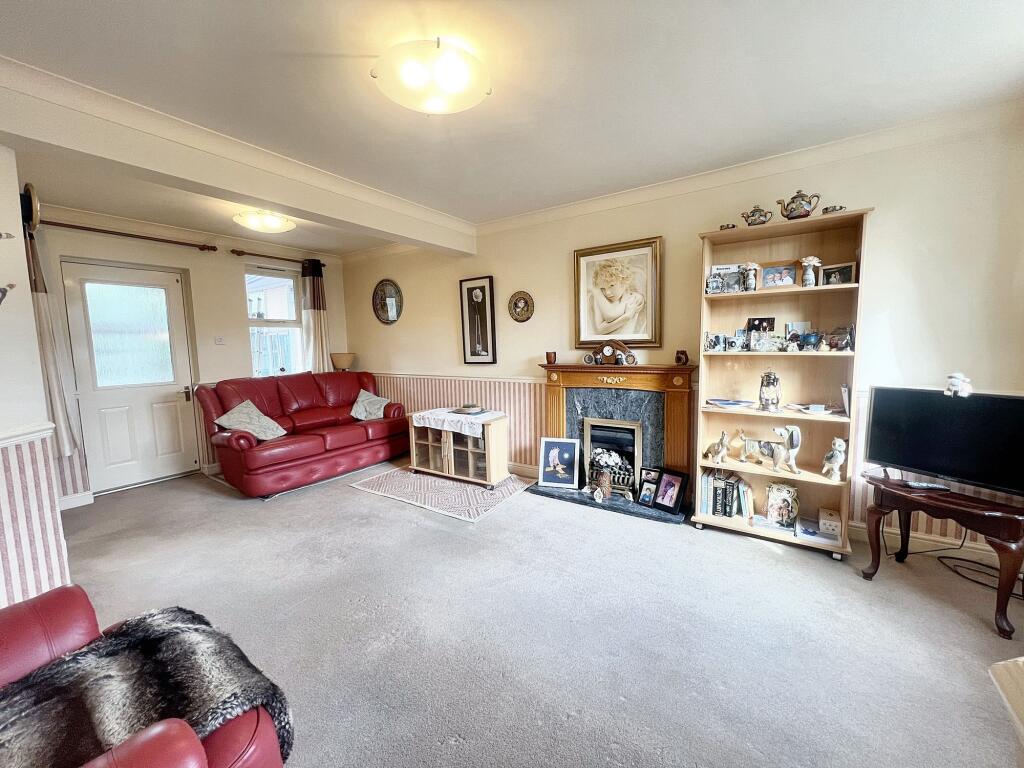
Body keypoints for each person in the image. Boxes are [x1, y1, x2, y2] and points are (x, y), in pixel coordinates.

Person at [589, 257, 645, 336]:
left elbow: (610, 316)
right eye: (602, 288)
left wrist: (596, 292)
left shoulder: (635, 297)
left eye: (612, 285)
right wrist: (626, 317)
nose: (607, 293)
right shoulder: (598, 298)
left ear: (624, 282)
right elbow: (599, 330)